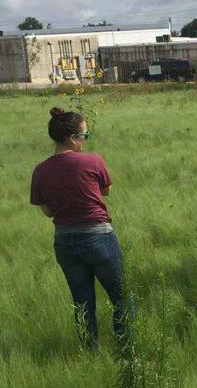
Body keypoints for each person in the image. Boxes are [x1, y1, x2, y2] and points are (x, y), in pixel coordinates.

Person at [30, 107, 125, 349]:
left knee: (82, 303)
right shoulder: (93, 161)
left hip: (65, 243)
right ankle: (127, 349)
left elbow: (48, 211)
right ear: (72, 138)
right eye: (85, 135)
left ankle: (90, 353)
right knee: (122, 298)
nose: (86, 140)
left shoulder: (40, 171)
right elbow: (106, 191)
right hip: (99, 239)